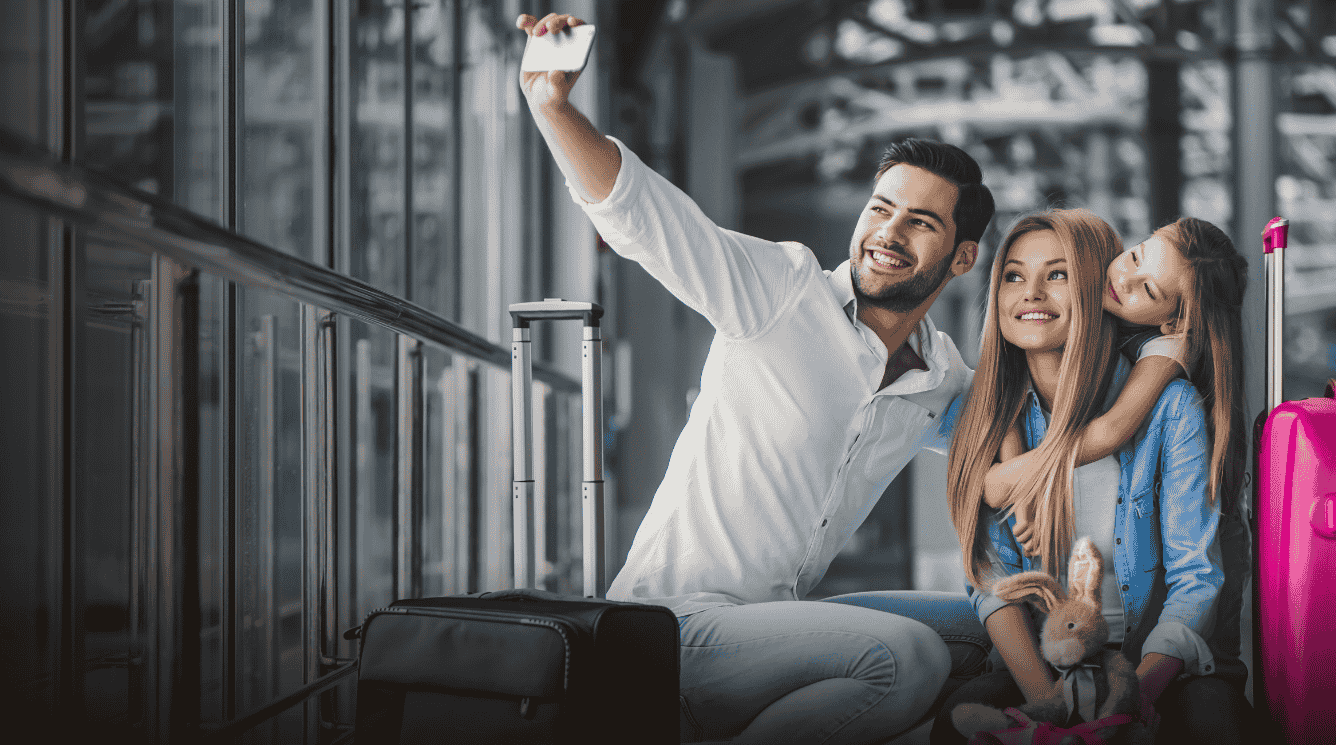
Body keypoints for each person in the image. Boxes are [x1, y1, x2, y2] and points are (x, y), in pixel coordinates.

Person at [515, 11, 997, 744]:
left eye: (921, 223)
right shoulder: (781, 289)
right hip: (674, 627)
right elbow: (645, 217)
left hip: (773, 622)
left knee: (990, 625)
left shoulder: (940, 377)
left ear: (962, 258)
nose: (888, 235)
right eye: (880, 209)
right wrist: (552, 104)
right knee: (906, 659)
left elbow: (1028, 430)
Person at [932, 211, 1252, 745]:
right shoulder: (986, 412)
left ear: (1087, 280)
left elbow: (1195, 577)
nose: (1030, 293)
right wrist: (1049, 700)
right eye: (1012, 275)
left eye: (1056, 275)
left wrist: (1131, 696)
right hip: (1049, 657)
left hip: (1154, 660)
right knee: (959, 716)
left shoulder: (1168, 403)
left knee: (1211, 725)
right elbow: (993, 581)